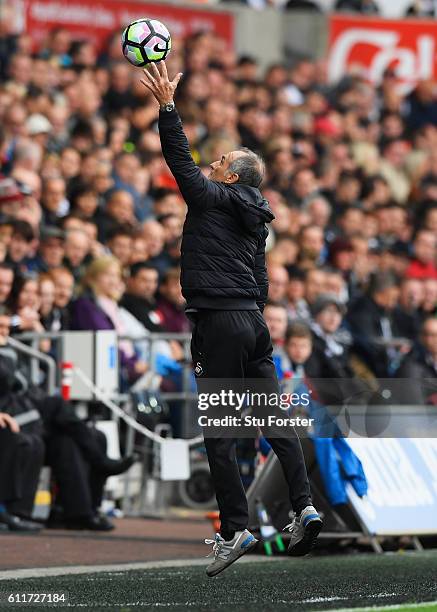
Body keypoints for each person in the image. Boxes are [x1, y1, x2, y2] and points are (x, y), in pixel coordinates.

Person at [141, 61, 322, 577]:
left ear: (231, 175)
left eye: (219, 160)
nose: (211, 163)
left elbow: (179, 160)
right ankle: (303, 507)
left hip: (219, 324)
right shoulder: (257, 218)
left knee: (219, 431)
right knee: (273, 420)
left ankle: (235, 528)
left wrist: (168, 108)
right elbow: (262, 281)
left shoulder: (213, 197)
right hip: (254, 323)